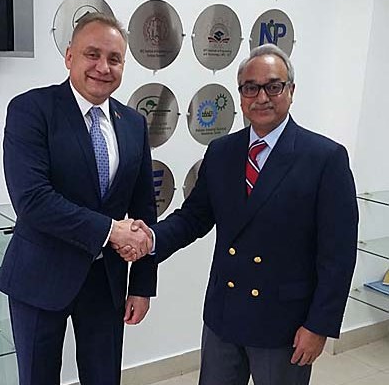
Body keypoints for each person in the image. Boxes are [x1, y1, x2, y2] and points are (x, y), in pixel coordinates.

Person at [124, 44, 358, 385]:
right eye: (250, 87)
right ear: (240, 95)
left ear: (291, 90)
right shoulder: (222, 151)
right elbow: (194, 217)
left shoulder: (325, 158)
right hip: (224, 315)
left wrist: (319, 325)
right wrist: (151, 238)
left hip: (285, 324)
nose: (261, 97)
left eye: (273, 86)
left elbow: (338, 254)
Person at [0, 12, 156, 385]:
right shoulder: (31, 110)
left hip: (106, 282)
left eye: (114, 58)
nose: (103, 67)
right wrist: (111, 231)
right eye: (92, 54)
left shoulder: (133, 124)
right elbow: (33, 201)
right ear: (69, 56)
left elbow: (144, 210)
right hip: (39, 277)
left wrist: (142, 285)